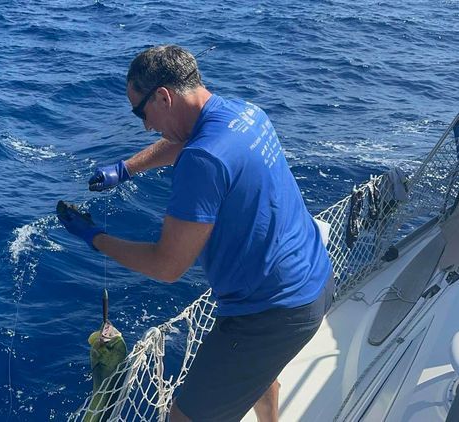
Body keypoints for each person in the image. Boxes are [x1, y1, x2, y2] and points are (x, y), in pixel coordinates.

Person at [57, 45, 333, 422]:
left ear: (164, 96)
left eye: (141, 112)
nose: (145, 126)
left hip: (269, 312)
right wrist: (126, 169)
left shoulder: (202, 162)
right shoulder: (244, 113)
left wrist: (95, 238)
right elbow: (188, 143)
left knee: (183, 418)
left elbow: (167, 267)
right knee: (258, 375)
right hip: (314, 279)